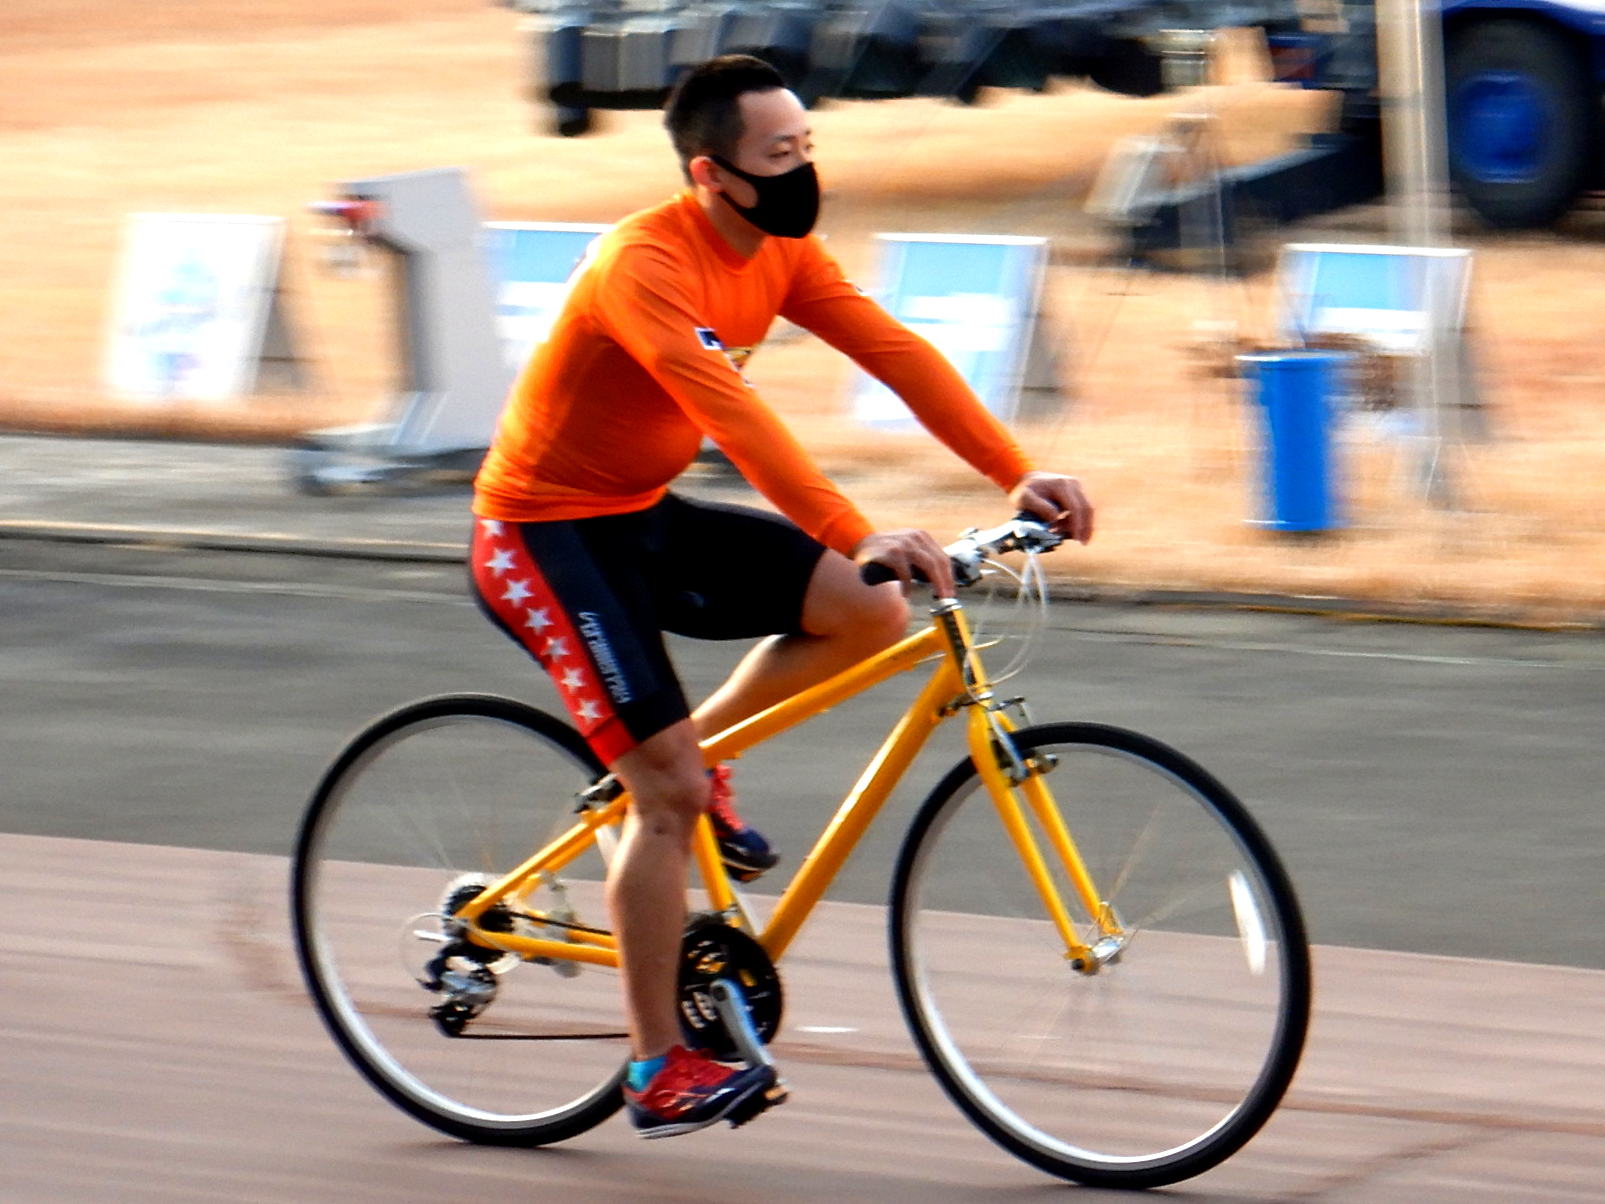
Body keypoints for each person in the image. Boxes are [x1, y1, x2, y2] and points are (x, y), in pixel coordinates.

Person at [469, 54, 1094, 1140]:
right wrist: (857, 531)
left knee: (866, 610)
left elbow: (895, 353)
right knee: (661, 793)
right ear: (713, 175)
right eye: (779, 154)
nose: (804, 170)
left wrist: (1013, 470)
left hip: (640, 510)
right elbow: (737, 420)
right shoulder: (641, 265)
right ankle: (656, 1066)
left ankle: (696, 767)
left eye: (808, 146)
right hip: (542, 534)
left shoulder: (781, 250)